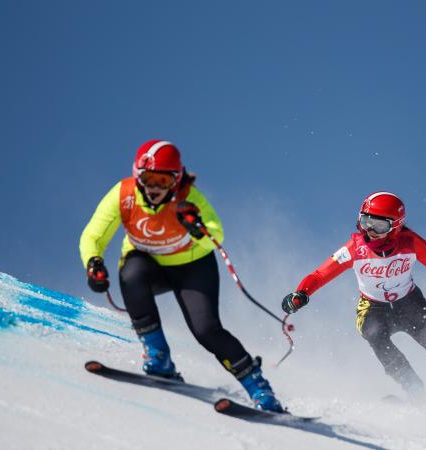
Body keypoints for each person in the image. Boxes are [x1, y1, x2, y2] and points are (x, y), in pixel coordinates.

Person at [79, 139, 283, 412]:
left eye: (163, 181)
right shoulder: (123, 194)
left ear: (176, 181)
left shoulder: (189, 198)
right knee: (131, 273)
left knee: (206, 331)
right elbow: (93, 235)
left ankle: (261, 390)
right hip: (149, 267)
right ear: (138, 176)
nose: (154, 188)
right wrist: (93, 263)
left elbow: (216, 235)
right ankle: (159, 358)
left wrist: (197, 228)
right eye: (149, 179)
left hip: (193, 269)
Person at [281, 191, 426, 405]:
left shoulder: (410, 243)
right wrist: (301, 293)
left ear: (396, 226)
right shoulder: (355, 249)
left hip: (411, 305)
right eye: (365, 222)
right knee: (372, 332)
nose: (370, 231)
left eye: (379, 226)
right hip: (373, 308)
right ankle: (415, 392)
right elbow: (320, 274)